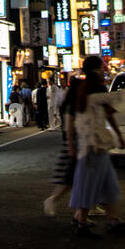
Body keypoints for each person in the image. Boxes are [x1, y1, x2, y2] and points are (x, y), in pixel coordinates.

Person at [66, 56, 125, 237]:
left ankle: (112, 220)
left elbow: (108, 110)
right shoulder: (91, 91)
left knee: (107, 185)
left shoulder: (84, 90)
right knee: (89, 185)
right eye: (100, 68)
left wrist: (119, 134)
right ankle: (83, 222)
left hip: (95, 145)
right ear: (94, 70)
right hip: (93, 145)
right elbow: (115, 97)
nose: (103, 70)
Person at [43, 76, 81, 216]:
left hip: (75, 144)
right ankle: (79, 213)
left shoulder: (69, 101)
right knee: (71, 179)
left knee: (73, 179)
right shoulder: (73, 105)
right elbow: (69, 127)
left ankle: (80, 213)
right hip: (75, 144)